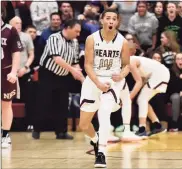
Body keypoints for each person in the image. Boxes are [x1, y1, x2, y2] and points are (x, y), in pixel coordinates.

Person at [79, 9, 131, 168]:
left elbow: (127, 65)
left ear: (117, 22)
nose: (111, 21)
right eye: (108, 18)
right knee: (84, 125)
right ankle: (95, 141)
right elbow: (87, 65)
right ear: (102, 20)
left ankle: (101, 153)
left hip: (111, 81)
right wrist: (97, 83)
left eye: (114, 19)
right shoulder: (91, 39)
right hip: (94, 80)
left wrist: (121, 75)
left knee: (104, 112)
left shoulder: (123, 41)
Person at [32, 19, 85, 140]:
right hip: (48, 74)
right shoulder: (54, 38)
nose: (78, 34)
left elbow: (75, 62)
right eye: (76, 31)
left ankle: (61, 132)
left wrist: (83, 79)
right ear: (68, 28)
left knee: (62, 104)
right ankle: (37, 129)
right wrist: (72, 70)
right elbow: (57, 59)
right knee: (43, 102)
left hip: (64, 75)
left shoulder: (75, 42)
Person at [128, 51, 170, 138]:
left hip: (160, 74)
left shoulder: (131, 61)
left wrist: (129, 98)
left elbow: (139, 82)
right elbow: (142, 81)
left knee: (142, 99)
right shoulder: (133, 62)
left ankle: (142, 129)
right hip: (161, 73)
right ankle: (157, 126)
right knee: (143, 100)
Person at [1, 7, 22, 148]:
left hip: (5, 71)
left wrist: (14, 72)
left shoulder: (10, 30)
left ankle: (5, 135)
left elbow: (16, 53)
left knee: (6, 104)